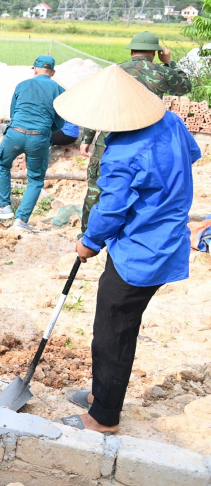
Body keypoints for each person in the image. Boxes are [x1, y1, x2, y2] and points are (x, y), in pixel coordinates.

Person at [57, 74, 201, 434]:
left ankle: (104, 416)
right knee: (116, 323)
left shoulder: (122, 152)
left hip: (141, 251)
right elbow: (193, 155)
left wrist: (89, 243)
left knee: (113, 330)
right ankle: (99, 393)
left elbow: (111, 210)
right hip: (167, 240)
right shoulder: (172, 121)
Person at [79, 32, 190, 232]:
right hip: (147, 139)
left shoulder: (115, 71)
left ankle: (87, 234)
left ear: (131, 51)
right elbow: (185, 86)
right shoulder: (160, 72)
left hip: (111, 136)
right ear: (155, 54)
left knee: (97, 187)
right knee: (143, 185)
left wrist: (87, 137)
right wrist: (170, 62)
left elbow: (99, 105)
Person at [0, 55, 65, 232]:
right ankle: (21, 220)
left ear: (35, 69)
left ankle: (3, 207)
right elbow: (60, 122)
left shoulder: (22, 85)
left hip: (15, 134)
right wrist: (45, 129)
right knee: (36, 179)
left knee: (2, 165)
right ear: (53, 72)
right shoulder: (60, 90)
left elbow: (13, 113)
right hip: (39, 137)